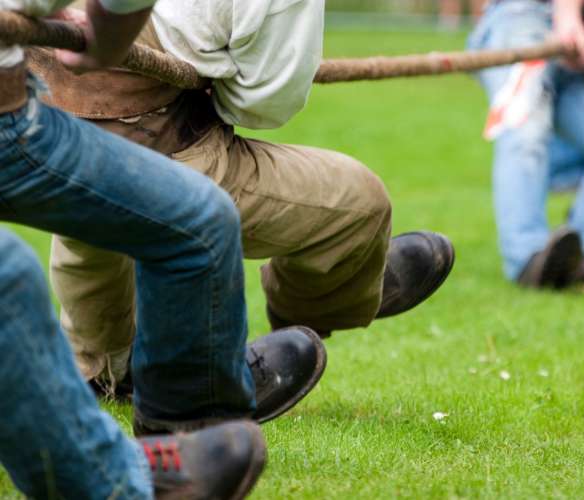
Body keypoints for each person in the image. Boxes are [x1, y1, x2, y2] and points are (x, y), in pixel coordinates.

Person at [27, 0, 455, 397]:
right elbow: (262, 101)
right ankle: (315, 308)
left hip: (38, 135)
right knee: (361, 203)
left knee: (88, 208)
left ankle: (104, 368)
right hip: (159, 154)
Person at [0, 0, 276, 496]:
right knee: (8, 273)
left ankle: (177, 440)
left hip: (12, 119)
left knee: (199, 221)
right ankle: (111, 485)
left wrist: (91, 23)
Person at [467, 0, 584, 291]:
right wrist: (567, 14)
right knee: (525, 130)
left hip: (581, 42)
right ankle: (528, 258)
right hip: (521, 21)